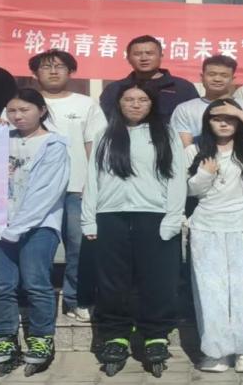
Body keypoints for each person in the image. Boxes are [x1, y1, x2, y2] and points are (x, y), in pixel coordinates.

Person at [82, 82, 187, 376]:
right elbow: (93, 177)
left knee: (158, 280)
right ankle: (115, 335)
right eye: (129, 99)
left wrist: (172, 217)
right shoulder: (105, 135)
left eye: (143, 99)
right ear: (119, 103)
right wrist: (89, 218)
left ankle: (156, 336)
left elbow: (176, 177)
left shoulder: (165, 134)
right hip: (110, 215)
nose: (136, 104)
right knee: (112, 281)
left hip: (154, 216)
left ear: (152, 104)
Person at [185, 99, 243, 373]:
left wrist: (241, 113)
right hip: (206, 225)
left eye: (230, 118)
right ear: (207, 122)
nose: (224, 123)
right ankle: (216, 352)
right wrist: (204, 174)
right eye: (217, 118)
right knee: (210, 291)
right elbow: (188, 190)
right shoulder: (193, 150)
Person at [0, 88, 71, 375]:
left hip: (39, 225)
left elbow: (46, 192)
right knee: (0, 284)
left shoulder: (54, 144)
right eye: (12, 111)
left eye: (25, 110)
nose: (17, 116)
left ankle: (42, 338)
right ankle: (5, 337)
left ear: (41, 111)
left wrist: (18, 227)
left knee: (36, 282)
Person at [28, 49, 107, 323]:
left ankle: (76, 299)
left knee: (80, 246)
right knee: (37, 248)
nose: (53, 71)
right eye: (46, 67)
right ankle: (37, 301)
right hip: (35, 191)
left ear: (70, 72)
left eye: (60, 66)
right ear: (34, 73)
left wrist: (93, 184)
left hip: (77, 187)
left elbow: (94, 146)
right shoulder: (23, 103)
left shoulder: (86, 104)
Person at [171, 54, 243, 147]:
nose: (217, 79)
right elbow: (183, 147)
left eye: (224, 75)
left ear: (232, 79)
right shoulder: (184, 109)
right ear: (202, 77)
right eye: (212, 74)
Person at [98, 35, 198, 123]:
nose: (144, 58)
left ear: (161, 56)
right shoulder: (114, 89)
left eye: (149, 53)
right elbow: (106, 122)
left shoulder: (183, 88)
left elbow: (194, 120)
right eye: (137, 54)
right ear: (128, 58)